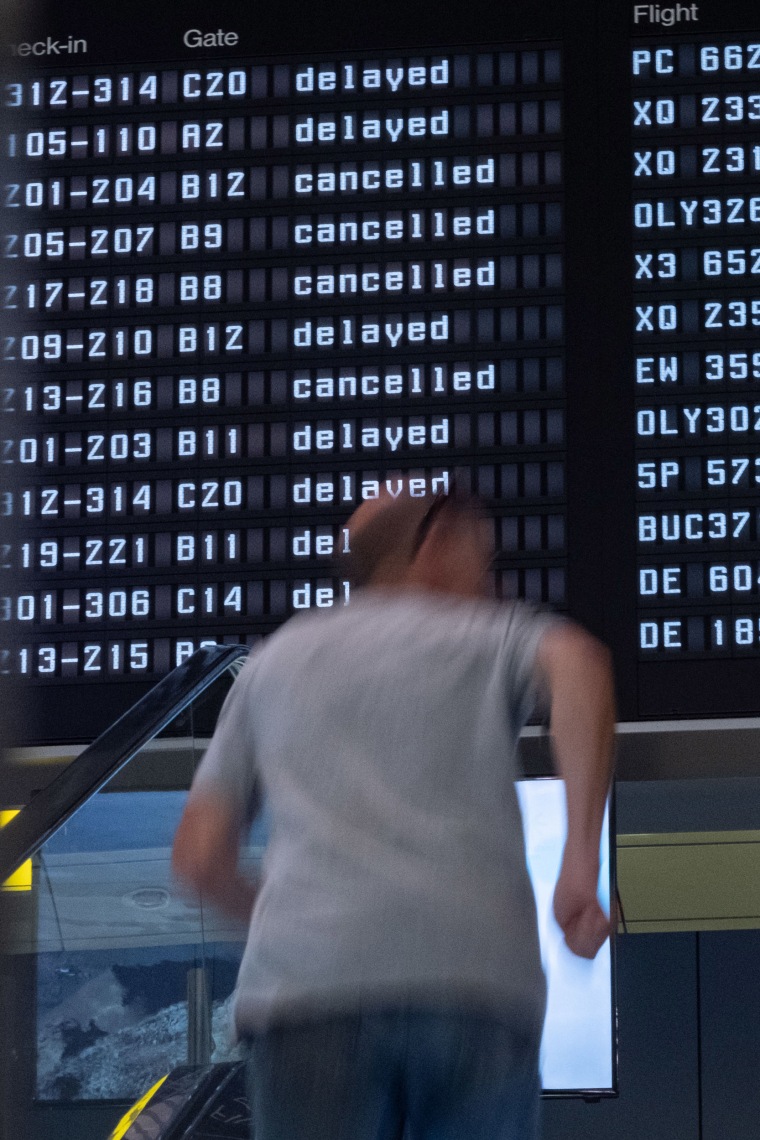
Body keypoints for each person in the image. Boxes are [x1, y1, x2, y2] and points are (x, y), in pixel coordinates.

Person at [172, 486, 615, 1140]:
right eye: (483, 563)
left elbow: (199, 857)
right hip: (475, 983)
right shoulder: (491, 634)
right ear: (434, 545)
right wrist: (581, 860)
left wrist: (286, 920)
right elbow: (581, 664)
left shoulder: (271, 663)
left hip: (307, 992)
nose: (491, 585)